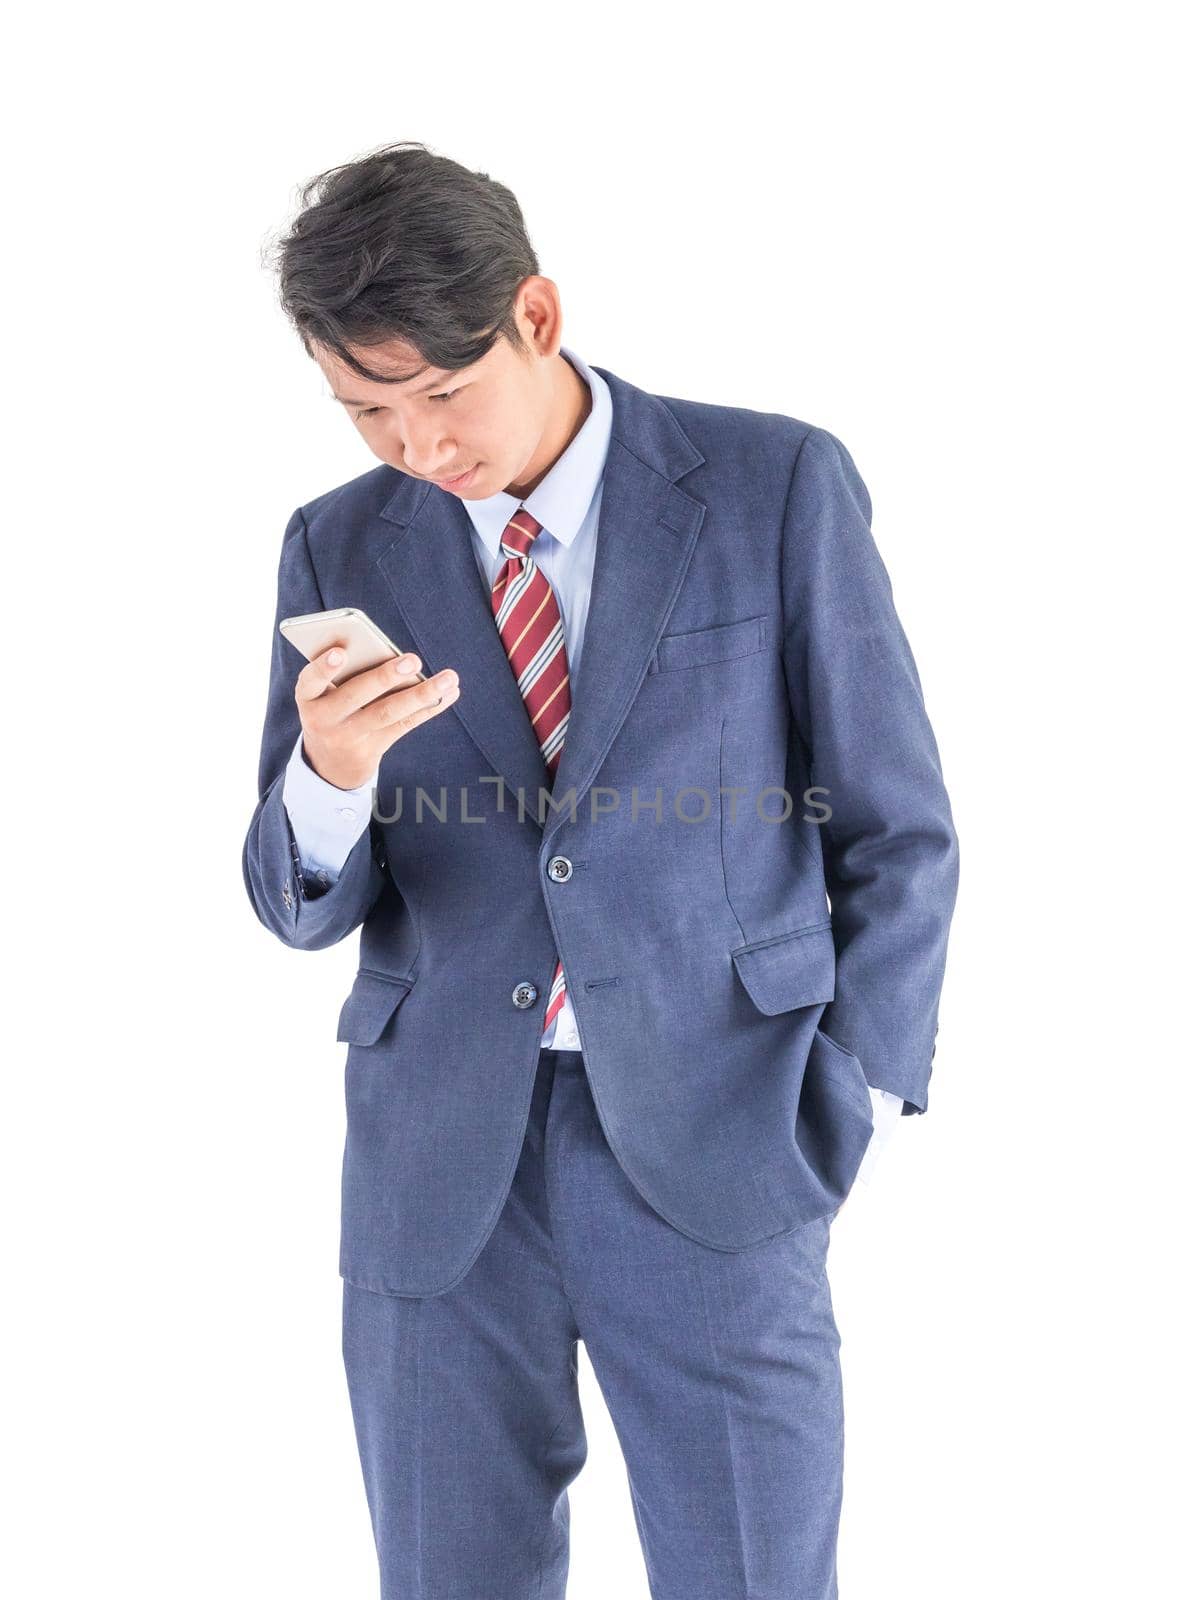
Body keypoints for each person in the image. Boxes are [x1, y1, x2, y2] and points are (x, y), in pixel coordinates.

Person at [243, 138, 959, 1599]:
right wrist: (328, 777)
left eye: (442, 396)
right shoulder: (338, 545)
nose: (419, 450)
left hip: (726, 1139)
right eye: (369, 411)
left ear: (539, 317)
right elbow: (291, 899)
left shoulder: (772, 485)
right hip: (443, 1174)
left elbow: (896, 824)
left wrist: (849, 1093)